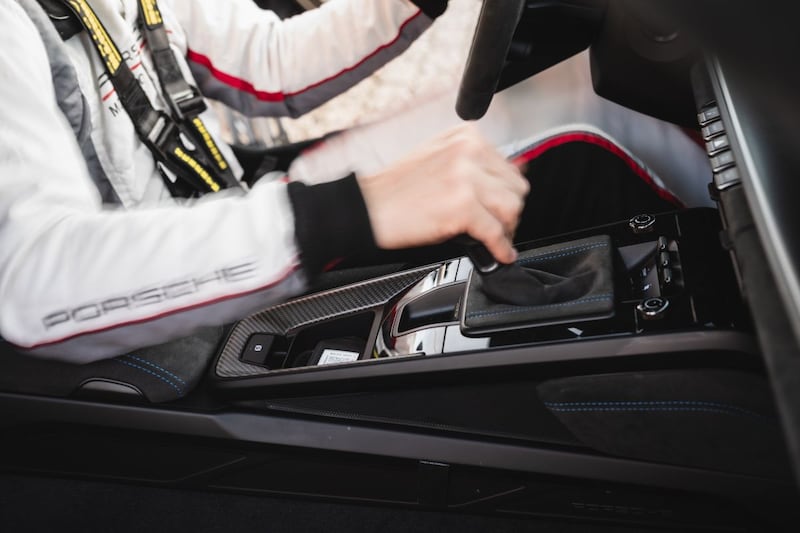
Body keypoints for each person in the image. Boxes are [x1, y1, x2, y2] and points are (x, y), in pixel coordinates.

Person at [0, 0, 528, 363]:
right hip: (156, 335)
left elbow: (266, 61)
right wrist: (342, 214)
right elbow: (31, 285)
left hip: (221, 237)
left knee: (525, 148)